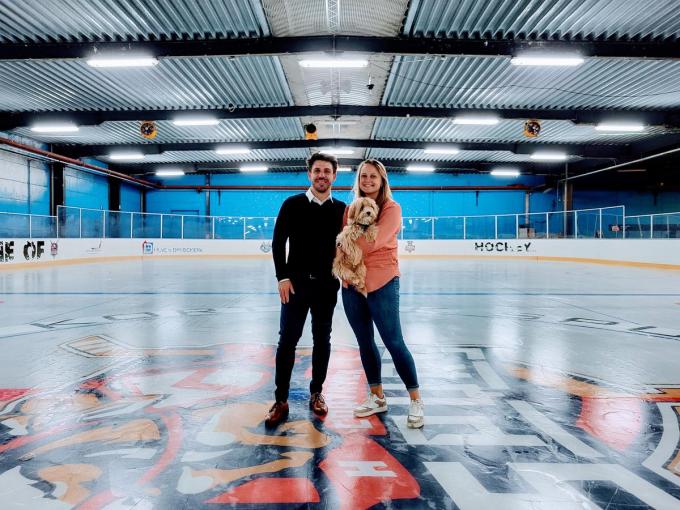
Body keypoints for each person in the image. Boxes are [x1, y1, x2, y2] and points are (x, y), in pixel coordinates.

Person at [340, 159, 424, 428]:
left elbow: (372, 242)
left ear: (382, 180)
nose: (367, 180)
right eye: (363, 176)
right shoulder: (350, 208)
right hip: (352, 283)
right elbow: (340, 242)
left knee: (394, 342)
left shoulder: (391, 208)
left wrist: (348, 244)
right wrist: (344, 269)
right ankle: (377, 397)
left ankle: (416, 400)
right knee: (365, 342)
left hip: (382, 281)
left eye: (373, 176)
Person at [266, 152, 346, 427]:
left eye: (327, 171)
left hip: (326, 286)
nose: (322, 175)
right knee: (287, 341)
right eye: (317, 170)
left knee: (322, 340)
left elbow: (347, 247)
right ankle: (281, 400)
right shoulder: (292, 204)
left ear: (334, 176)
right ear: (309, 174)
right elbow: (278, 243)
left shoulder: (342, 210)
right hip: (296, 286)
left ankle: (317, 393)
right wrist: (282, 277)